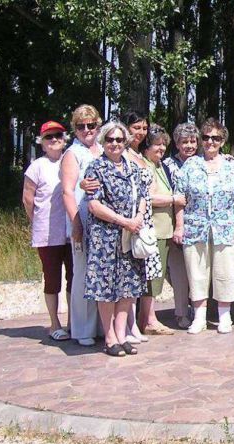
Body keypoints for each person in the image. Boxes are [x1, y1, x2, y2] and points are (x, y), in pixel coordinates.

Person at [173, 119, 234, 334]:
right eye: (206, 137)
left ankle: (225, 317)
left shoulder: (231, 166)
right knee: (197, 272)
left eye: (215, 138)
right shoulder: (191, 165)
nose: (210, 142)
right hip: (195, 227)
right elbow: (179, 198)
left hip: (225, 228)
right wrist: (179, 226)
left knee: (225, 271)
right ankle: (199, 317)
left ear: (222, 141)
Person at [84, 121, 147, 357]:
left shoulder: (132, 168)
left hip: (130, 235)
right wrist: (123, 221)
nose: (114, 144)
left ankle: (122, 334)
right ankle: (110, 337)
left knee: (128, 287)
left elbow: (142, 196)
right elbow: (94, 205)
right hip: (106, 237)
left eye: (119, 140)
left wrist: (138, 217)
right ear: (103, 142)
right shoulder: (96, 168)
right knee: (106, 288)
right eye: (110, 139)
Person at [22, 120, 73, 341]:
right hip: (47, 233)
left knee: (74, 277)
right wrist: (37, 221)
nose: (54, 140)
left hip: (71, 231)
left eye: (58, 136)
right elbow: (28, 198)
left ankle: (74, 322)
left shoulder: (70, 160)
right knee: (52, 279)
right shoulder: (37, 167)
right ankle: (54, 323)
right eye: (49, 137)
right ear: (41, 142)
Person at [60, 104, 102, 347]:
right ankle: (82, 328)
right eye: (81, 126)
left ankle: (102, 326)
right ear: (74, 129)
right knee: (83, 273)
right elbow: (67, 191)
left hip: (104, 223)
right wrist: (76, 223)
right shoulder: (72, 154)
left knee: (102, 273)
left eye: (91, 125)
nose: (87, 130)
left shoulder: (104, 149)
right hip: (83, 219)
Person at [121, 111, 161, 343]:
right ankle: (126, 325)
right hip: (128, 219)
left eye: (144, 128)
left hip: (145, 219)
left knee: (140, 273)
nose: (141, 132)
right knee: (127, 272)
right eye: (136, 127)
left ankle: (134, 324)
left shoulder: (140, 155)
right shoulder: (122, 154)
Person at [138, 124, 180, 335]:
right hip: (152, 230)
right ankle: (149, 320)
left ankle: (147, 318)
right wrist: (173, 199)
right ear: (146, 147)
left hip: (164, 230)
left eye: (164, 144)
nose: (161, 148)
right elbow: (149, 197)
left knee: (157, 275)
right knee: (151, 277)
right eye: (156, 144)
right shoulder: (145, 166)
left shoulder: (161, 166)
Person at [163, 124, 199, 329]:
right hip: (174, 223)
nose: (189, 145)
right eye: (184, 142)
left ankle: (199, 309)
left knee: (197, 270)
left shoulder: (203, 161)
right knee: (179, 272)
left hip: (198, 225)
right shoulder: (167, 165)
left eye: (193, 141)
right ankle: (181, 312)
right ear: (177, 144)